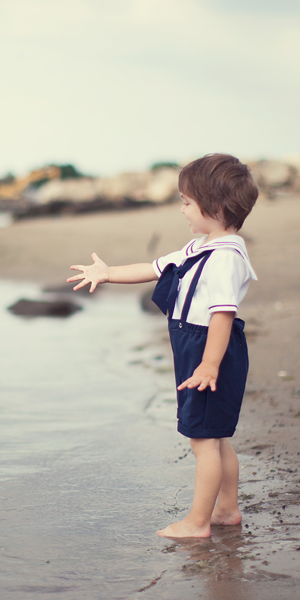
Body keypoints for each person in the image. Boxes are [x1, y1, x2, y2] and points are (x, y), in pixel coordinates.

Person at [67, 153, 259, 539]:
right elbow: (154, 268)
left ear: (215, 206)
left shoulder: (225, 258)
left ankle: (198, 522)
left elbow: (222, 315)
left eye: (187, 201)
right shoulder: (203, 247)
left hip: (209, 349)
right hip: (196, 346)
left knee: (203, 441)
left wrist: (208, 365)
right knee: (215, 435)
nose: (182, 209)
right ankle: (227, 509)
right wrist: (107, 274)